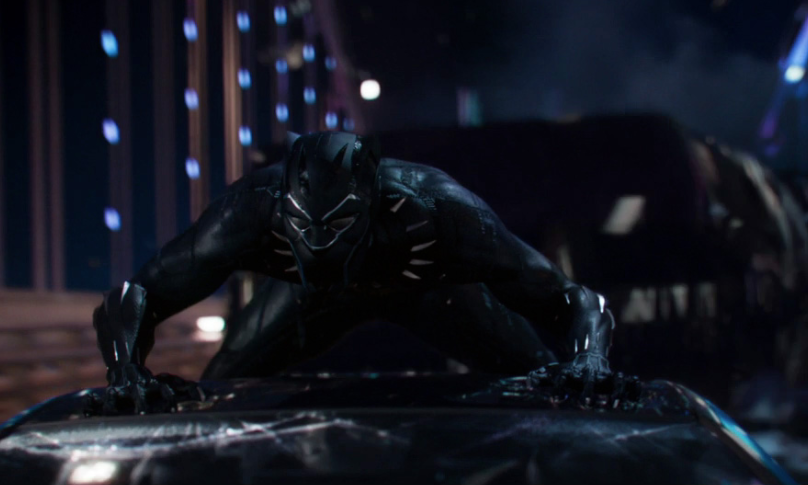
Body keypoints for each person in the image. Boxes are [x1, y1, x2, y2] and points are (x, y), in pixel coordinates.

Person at [93, 131, 616, 413]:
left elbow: (565, 297)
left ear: (372, 201)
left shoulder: (442, 211)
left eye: (337, 223)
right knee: (219, 394)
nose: (319, 241)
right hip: (314, 296)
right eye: (305, 224)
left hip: (427, 289)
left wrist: (588, 361)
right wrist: (125, 373)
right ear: (283, 205)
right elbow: (140, 293)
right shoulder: (246, 211)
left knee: (546, 385)